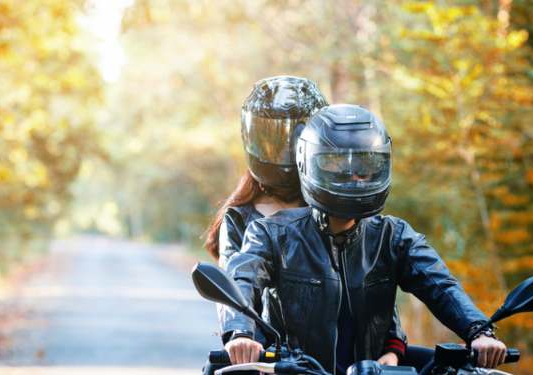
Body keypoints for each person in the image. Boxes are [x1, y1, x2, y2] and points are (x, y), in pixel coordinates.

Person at [222, 104, 507, 374]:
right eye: (340, 168)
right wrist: (241, 333)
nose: (355, 179)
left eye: (365, 169)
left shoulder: (393, 236)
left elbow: (439, 284)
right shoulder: (273, 233)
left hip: (376, 368)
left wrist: (479, 331)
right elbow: (242, 279)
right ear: (308, 164)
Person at [205, 78, 407, 369]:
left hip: (353, 358)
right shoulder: (239, 217)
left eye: (293, 136)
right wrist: (241, 337)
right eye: (271, 138)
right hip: (270, 361)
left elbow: (373, 275)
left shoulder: (335, 199)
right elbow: (237, 289)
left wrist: (393, 346)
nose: (282, 147)